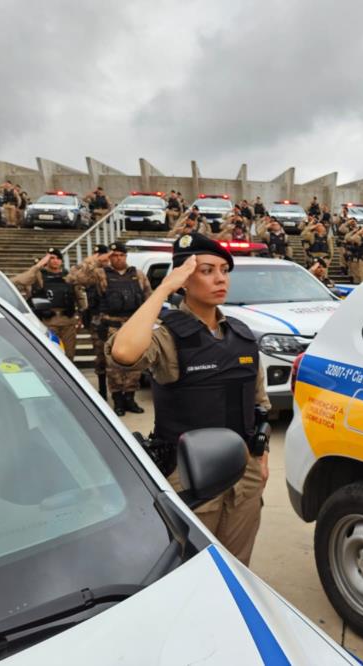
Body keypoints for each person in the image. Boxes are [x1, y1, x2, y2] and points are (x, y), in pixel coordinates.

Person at [107, 232, 270, 567]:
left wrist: (261, 459)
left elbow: (259, 401)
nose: (220, 278)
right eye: (207, 270)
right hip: (190, 476)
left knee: (238, 563)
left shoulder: (241, 334)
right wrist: (164, 289)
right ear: (183, 279)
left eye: (224, 270)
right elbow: (123, 353)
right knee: (190, 566)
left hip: (244, 471)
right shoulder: (167, 336)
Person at [69, 241, 152, 415]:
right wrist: (95, 260)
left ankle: (130, 398)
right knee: (114, 366)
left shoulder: (138, 274)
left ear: (126, 256)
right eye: (114, 255)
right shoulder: (100, 274)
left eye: (121, 255)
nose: (117, 258)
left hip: (132, 325)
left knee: (134, 364)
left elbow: (148, 299)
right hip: (111, 326)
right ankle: (118, 401)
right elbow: (74, 278)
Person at [11, 248, 85, 360]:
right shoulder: (39, 275)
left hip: (68, 321)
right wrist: (38, 266)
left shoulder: (69, 276)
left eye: (58, 258)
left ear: (61, 261)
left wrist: (82, 315)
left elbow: (79, 297)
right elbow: (19, 280)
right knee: (51, 355)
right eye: (51, 258)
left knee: (69, 355)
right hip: (48, 321)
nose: (55, 261)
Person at [83, 244, 110, 398]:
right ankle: (102, 391)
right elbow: (75, 277)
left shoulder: (113, 272)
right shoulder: (90, 274)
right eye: (96, 254)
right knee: (100, 357)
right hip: (97, 320)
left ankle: (122, 396)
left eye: (102, 254)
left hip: (114, 319)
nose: (100, 257)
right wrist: (90, 261)